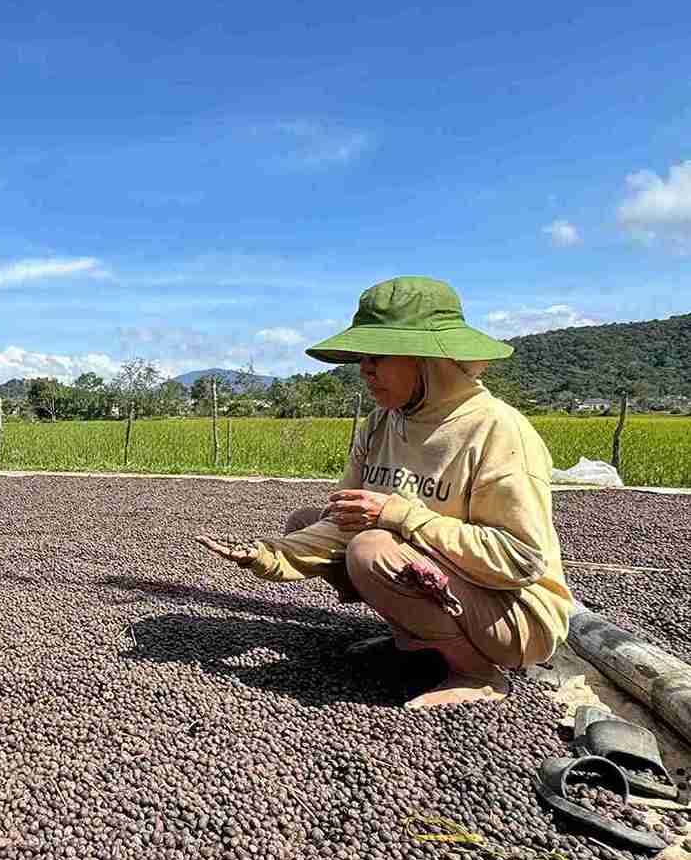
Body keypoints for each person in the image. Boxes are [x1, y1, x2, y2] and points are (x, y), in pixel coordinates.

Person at [198, 276, 573, 708]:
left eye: (378, 355)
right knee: (313, 523)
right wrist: (270, 553)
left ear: (428, 358)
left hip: (515, 613)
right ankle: (418, 642)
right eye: (362, 357)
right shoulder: (382, 423)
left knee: (373, 549)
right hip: (447, 579)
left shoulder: (496, 430)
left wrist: (400, 515)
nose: (365, 369)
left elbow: (520, 560)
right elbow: (341, 519)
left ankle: (476, 673)